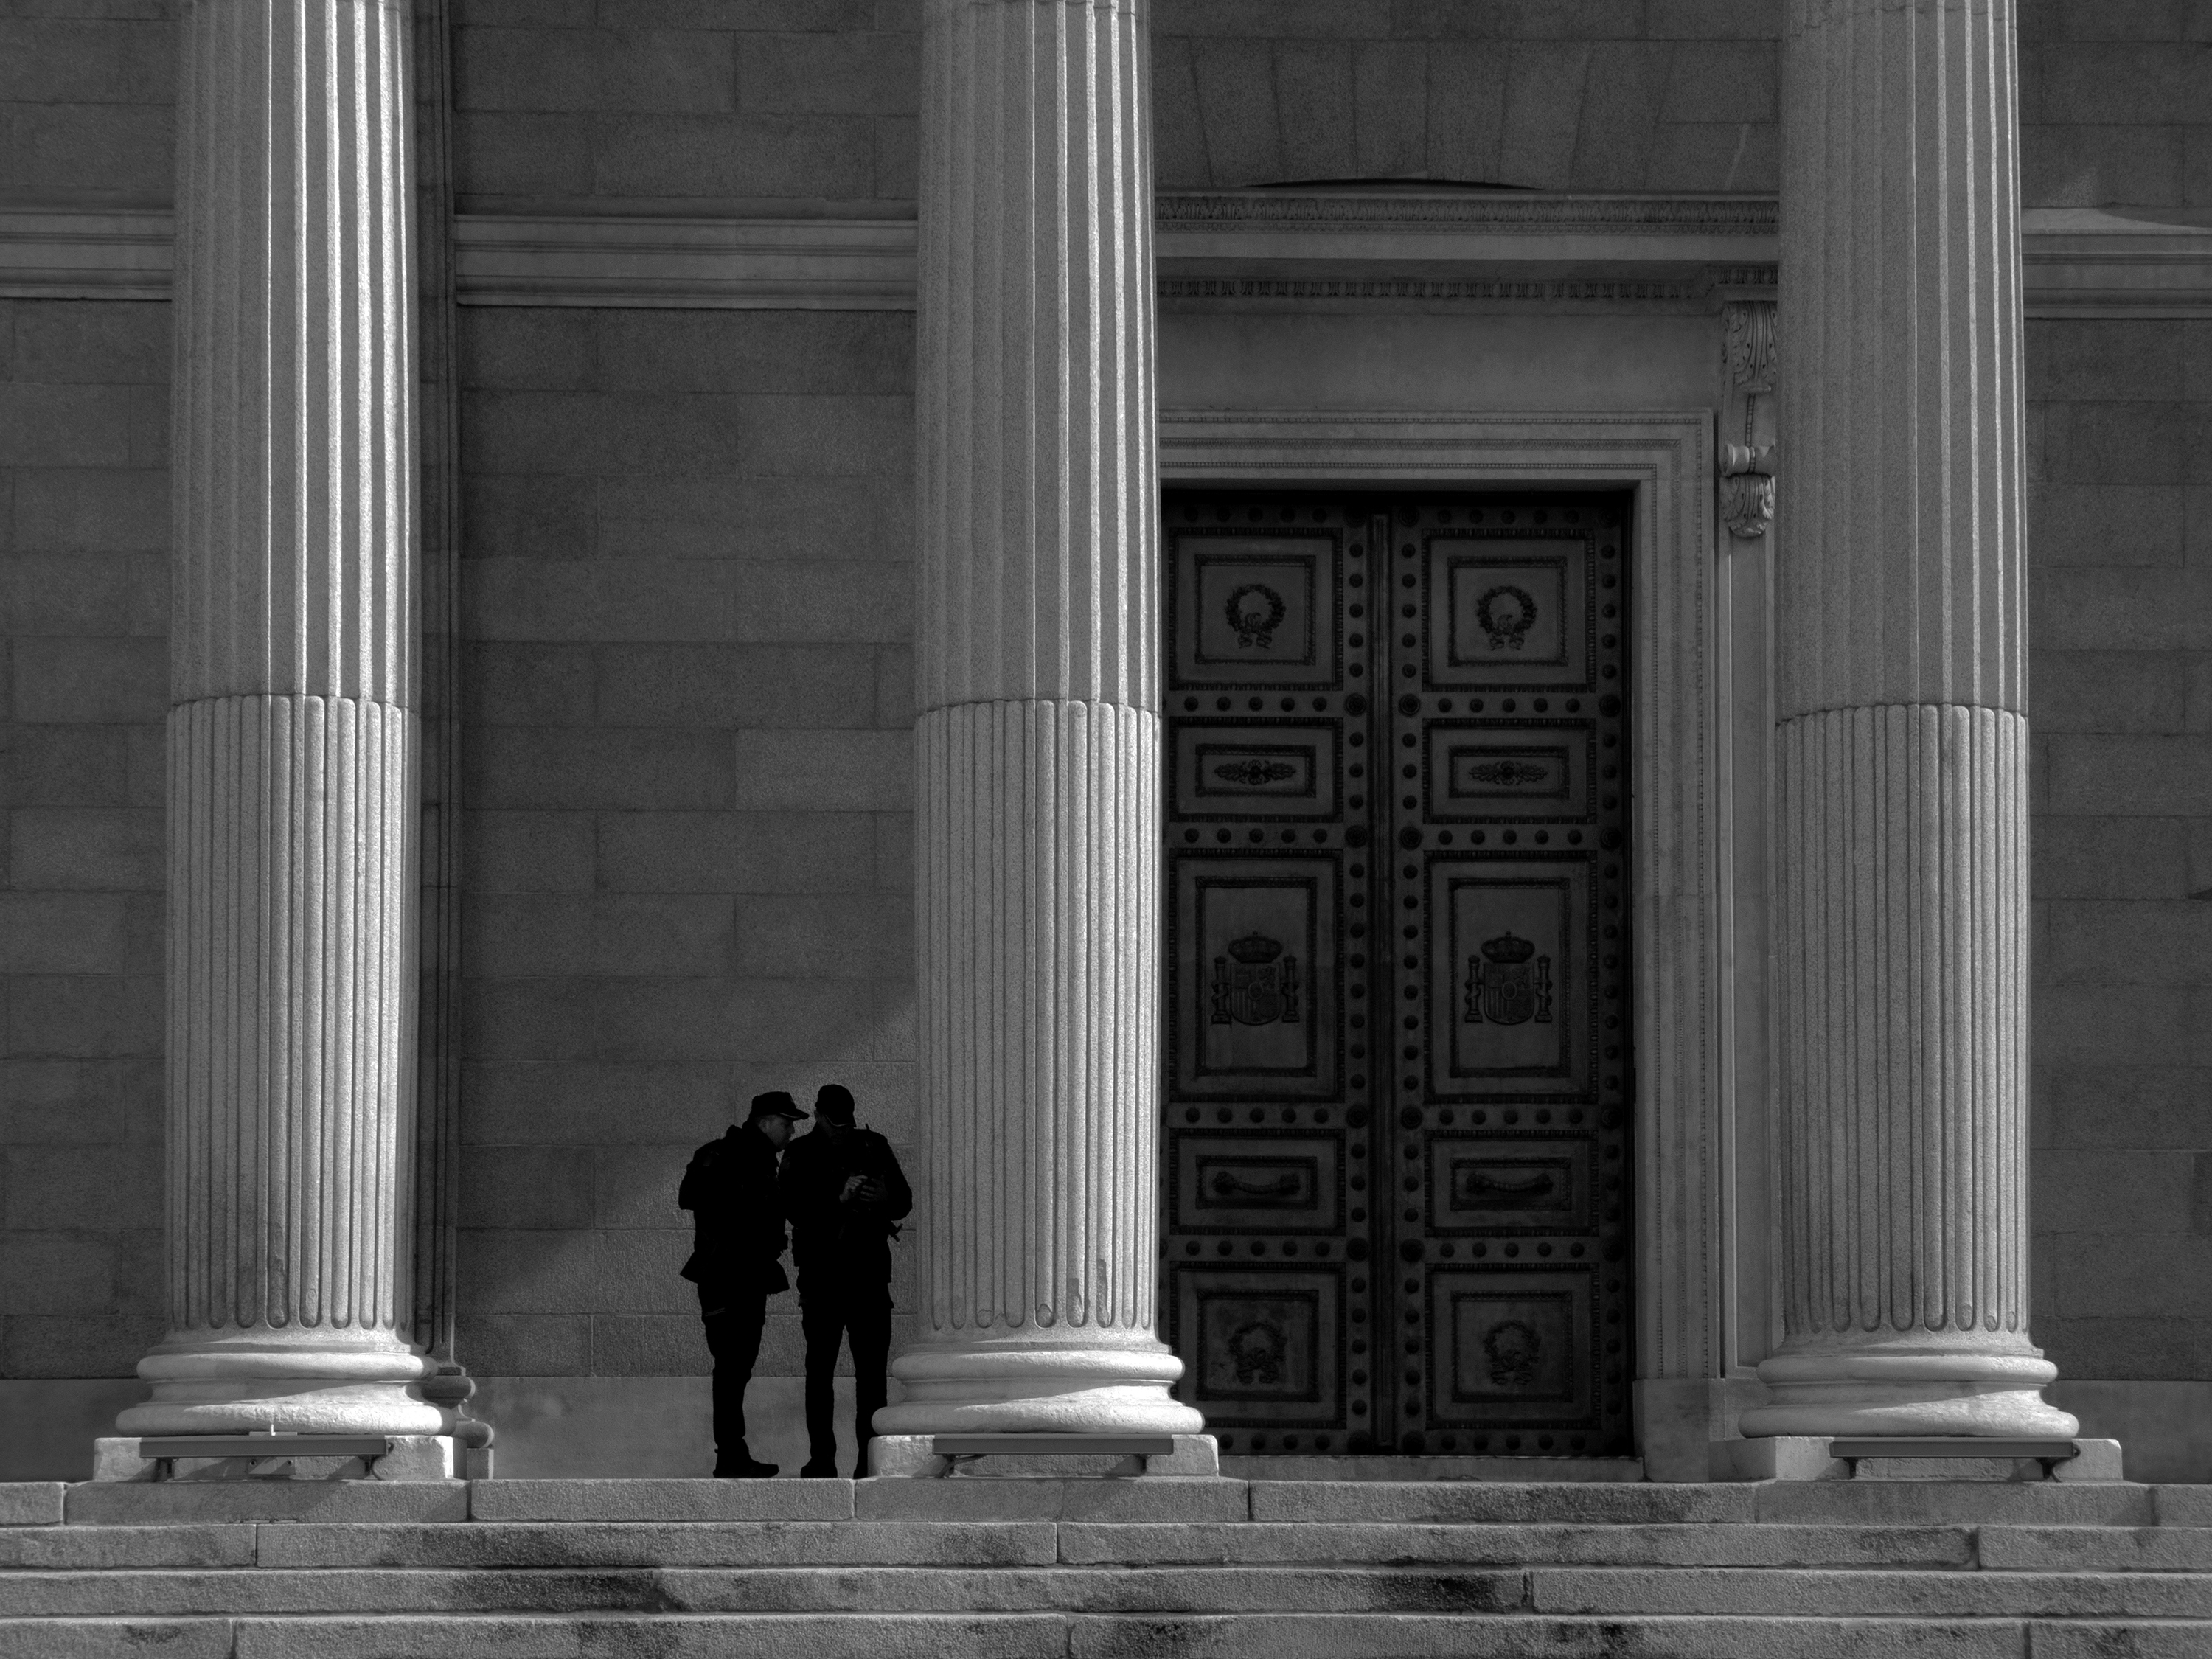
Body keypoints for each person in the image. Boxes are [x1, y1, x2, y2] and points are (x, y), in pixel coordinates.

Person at [779, 1082, 912, 1478]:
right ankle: (822, 1460)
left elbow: (903, 1200)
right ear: (819, 1115)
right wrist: (838, 1198)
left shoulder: (873, 1145)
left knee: (871, 1377)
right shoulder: (800, 1152)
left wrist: (882, 1198)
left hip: (868, 1277)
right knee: (820, 1373)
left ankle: (867, 1462)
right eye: (834, 1123)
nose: (841, 1131)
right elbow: (793, 1209)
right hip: (822, 1278)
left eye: (846, 1123)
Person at [679, 1090, 809, 1477]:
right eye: (786, 1123)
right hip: (726, 1276)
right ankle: (731, 1455)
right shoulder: (724, 1155)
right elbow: (691, 1197)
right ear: (765, 1122)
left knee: (739, 1366)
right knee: (731, 1365)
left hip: (748, 1277)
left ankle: (732, 1454)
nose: (790, 1132)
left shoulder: (762, 1161)